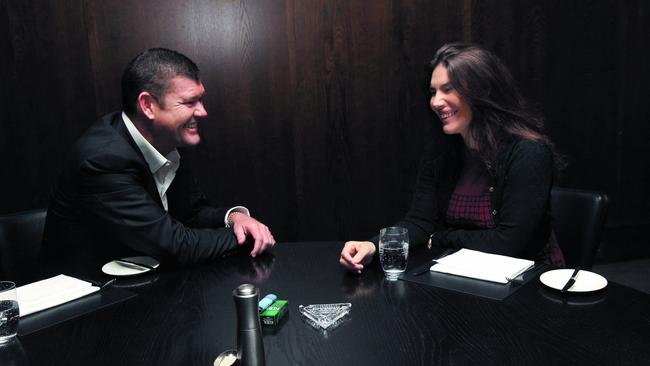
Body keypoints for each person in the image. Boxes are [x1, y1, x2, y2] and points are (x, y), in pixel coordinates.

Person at [340, 43, 565, 273]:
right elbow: (419, 223)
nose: (436, 102)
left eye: (448, 89)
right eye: (433, 91)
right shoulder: (440, 153)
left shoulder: (529, 153)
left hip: (530, 284)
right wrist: (373, 245)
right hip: (466, 278)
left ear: (482, 91)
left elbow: (507, 244)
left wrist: (440, 237)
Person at [43, 48, 275, 267]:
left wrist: (234, 219)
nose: (202, 112)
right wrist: (243, 239)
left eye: (201, 99)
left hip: (145, 284)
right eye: (189, 102)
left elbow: (191, 214)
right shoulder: (103, 159)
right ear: (148, 105)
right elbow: (173, 246)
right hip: (88, 295)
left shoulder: (167, 140)